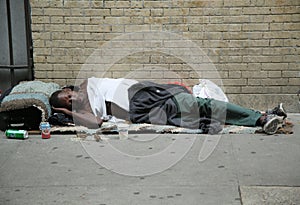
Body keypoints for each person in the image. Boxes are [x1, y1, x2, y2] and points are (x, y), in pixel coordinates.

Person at [49, 77, 287, 135]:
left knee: (203, 105)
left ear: (69, 89)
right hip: (144, 109)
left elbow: (90, 92)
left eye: (68, 96)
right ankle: (262, 117)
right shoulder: (83, 113)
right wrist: (69, 113)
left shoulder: (87, 84)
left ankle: (261, 117)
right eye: (66, 103)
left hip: (147, 94)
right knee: (201, 107)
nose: (71, 100)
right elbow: (98, 123)